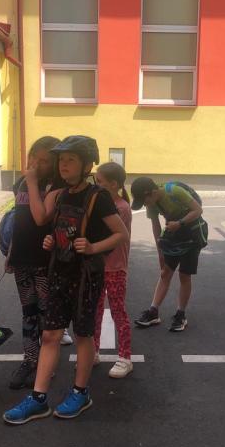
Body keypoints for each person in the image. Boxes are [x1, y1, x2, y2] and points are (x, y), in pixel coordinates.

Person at [3, 136, 128, 424]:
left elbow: (120, 233)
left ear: (87, 165)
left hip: (86, 276)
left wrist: (94, 247)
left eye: (71, 160)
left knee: (83, 335)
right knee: (50, 335)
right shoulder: (60, 196)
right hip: (58, 273)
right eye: (61, 160)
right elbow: (50, 224)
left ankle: (81, 392)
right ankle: (38, 398)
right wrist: (51, 240)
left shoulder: (98, 196)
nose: (64, 165)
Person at [7, 136, 64, 390]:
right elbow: (19, 220)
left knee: (44, 314)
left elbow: (41, 219)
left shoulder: (55, 187)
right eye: (34, 158)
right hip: (22, 259)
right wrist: (11, 252)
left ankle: (45, 363)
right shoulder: (21, 183)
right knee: (28, 312)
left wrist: (31, 182)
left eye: (44, 161)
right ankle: (30, 360)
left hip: (44, 262)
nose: (36, 164)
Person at [132, 177, 206, 332]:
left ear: (152, 192)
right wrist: (160, 251)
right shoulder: (152, 203)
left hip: (192, 236)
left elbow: (198, 210)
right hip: (174, 235)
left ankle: (181, 314)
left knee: (184, 275)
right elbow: (155, 225)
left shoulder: (174, 191)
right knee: (165, 273)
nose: (145, 204)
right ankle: (153, 312)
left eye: (144, 201)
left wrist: (179, 223)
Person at [93, 161, 134, 378]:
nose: (96, 185)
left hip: (115, 267)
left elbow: (110, 237)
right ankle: (93, 352)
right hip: (99, 267)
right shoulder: (103, 204)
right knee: (95, 310)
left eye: (100, 182)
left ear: (114, 184)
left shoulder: (121, 208)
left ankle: (125, 358)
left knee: (118, 312)